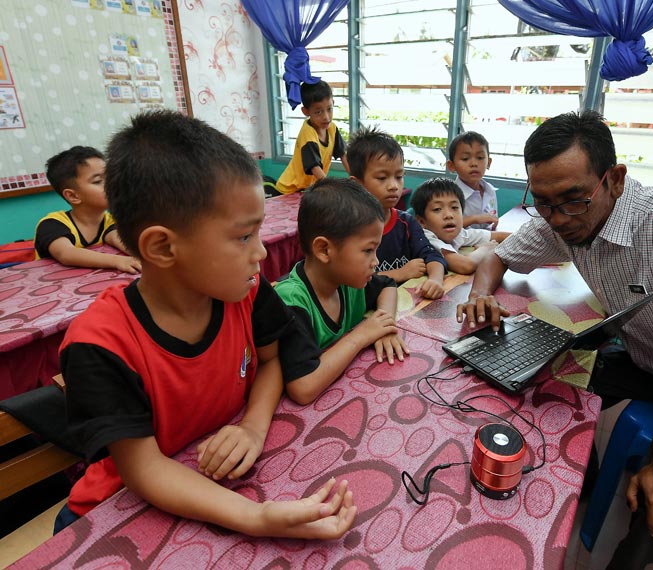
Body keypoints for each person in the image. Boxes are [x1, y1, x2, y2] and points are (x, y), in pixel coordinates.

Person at [455, 110, 653, 569]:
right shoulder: (561, 220)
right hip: (651, 363)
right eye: (542, 202)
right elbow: (495, 256)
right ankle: (584, 483)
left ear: (616, 179)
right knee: (544, 385)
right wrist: (482, 294)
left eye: (572, 200)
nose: (558, 219)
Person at [55, 110, 356, 539]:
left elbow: (271, 362)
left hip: (220, 471)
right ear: (161, 246)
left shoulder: (246, 291)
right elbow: (145, 470)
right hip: (117, 511)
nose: (261, 254)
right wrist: (255, 517)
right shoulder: (100, 344)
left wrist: (253, 425)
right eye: (242, 237)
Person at [274, 178, 409, 405]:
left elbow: (388, 286)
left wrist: (383, 325)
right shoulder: (292, 300)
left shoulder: (347, 280)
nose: (375, 261)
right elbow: (303, 387)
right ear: (324, 249)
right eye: (368, 250)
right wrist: (361, 336)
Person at [346, 126, 446, 299]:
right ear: (357, 184)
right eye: (382, 178)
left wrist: (436, 280)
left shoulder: (406, 222)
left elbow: (431, 255)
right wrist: (400, 273)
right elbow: (348, 285)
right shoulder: (346, 230)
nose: (393, 186)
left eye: (399, 176)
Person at [35, 146, 141, 273]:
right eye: (98, 181)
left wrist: (143, 255)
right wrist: (118, 261)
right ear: (73, 196)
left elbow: (119, 240)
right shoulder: (52, 224)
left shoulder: (108, 220)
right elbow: (66, 253)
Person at [410, 177, 509, 275]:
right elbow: (466, 265)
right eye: (437, 209)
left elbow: (496, 236)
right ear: (421, 221)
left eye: (454, 207)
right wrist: (485, 249)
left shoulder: (455, 232)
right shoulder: (427, 238)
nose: (449, 215)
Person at [275, 80, 351, 194]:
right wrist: (331, 189)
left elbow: (343, 155)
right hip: (290, 190)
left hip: (308, 189)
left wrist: (356, 179)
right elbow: (314, 167)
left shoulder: (332, 129)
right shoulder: (308, 134)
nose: (326, 117)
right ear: (306, 111)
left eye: (329, 109)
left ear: (333, 103)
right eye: (318, 112)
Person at [447, 131, 499, 230]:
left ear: (488, 162)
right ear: (452, 166)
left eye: (480, 158)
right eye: (465, 158)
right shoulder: (450, 196)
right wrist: (473, 219)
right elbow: (444, 228)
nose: (474, 163)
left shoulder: (490, 191)